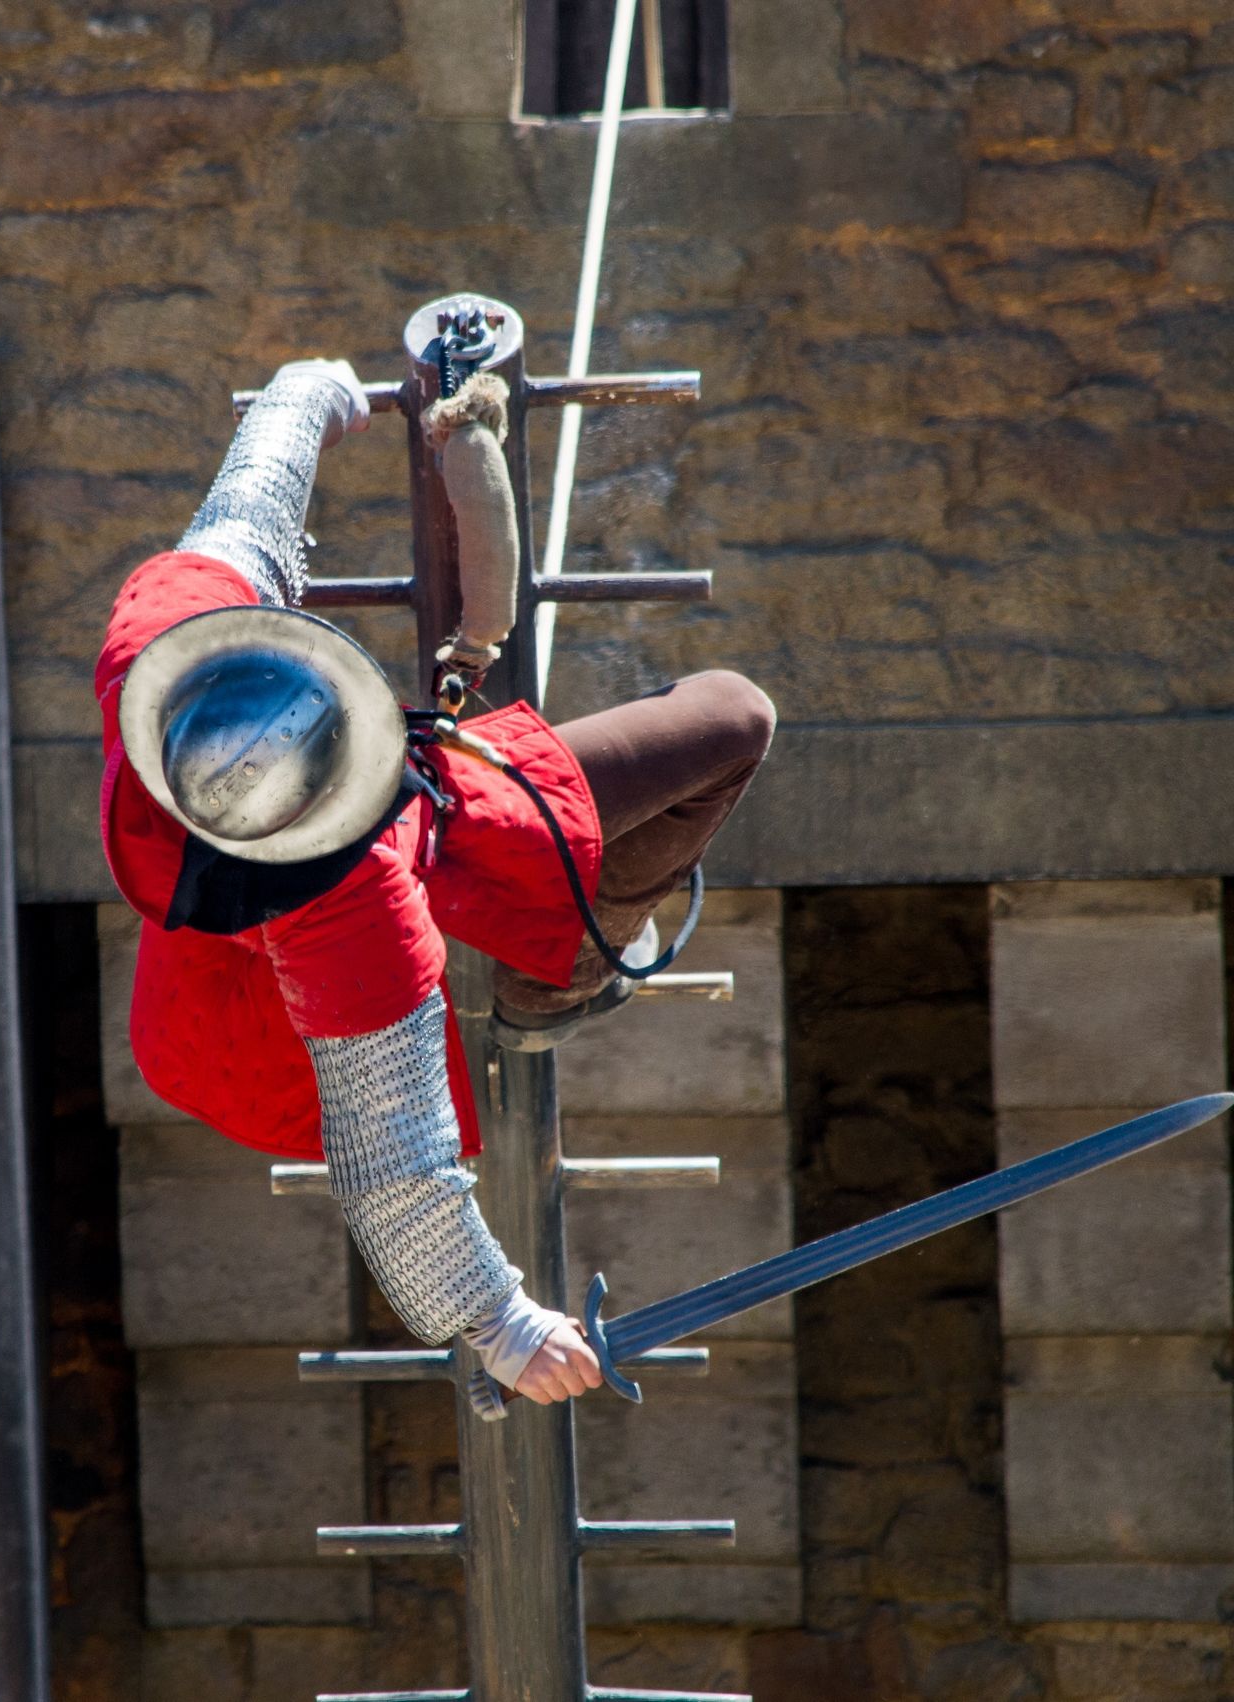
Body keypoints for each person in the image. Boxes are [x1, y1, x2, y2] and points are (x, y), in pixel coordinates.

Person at [97, 358, 775, 1405]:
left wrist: (303, 398)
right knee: (726, 723)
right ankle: (547, 986)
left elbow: (246, 516)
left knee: (724, 721)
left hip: (244, 969)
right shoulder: (347, 902)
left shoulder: (165, 645)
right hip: (255, 1052)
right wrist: (498, 1323)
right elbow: (392, 1154)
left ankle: (553, 959)